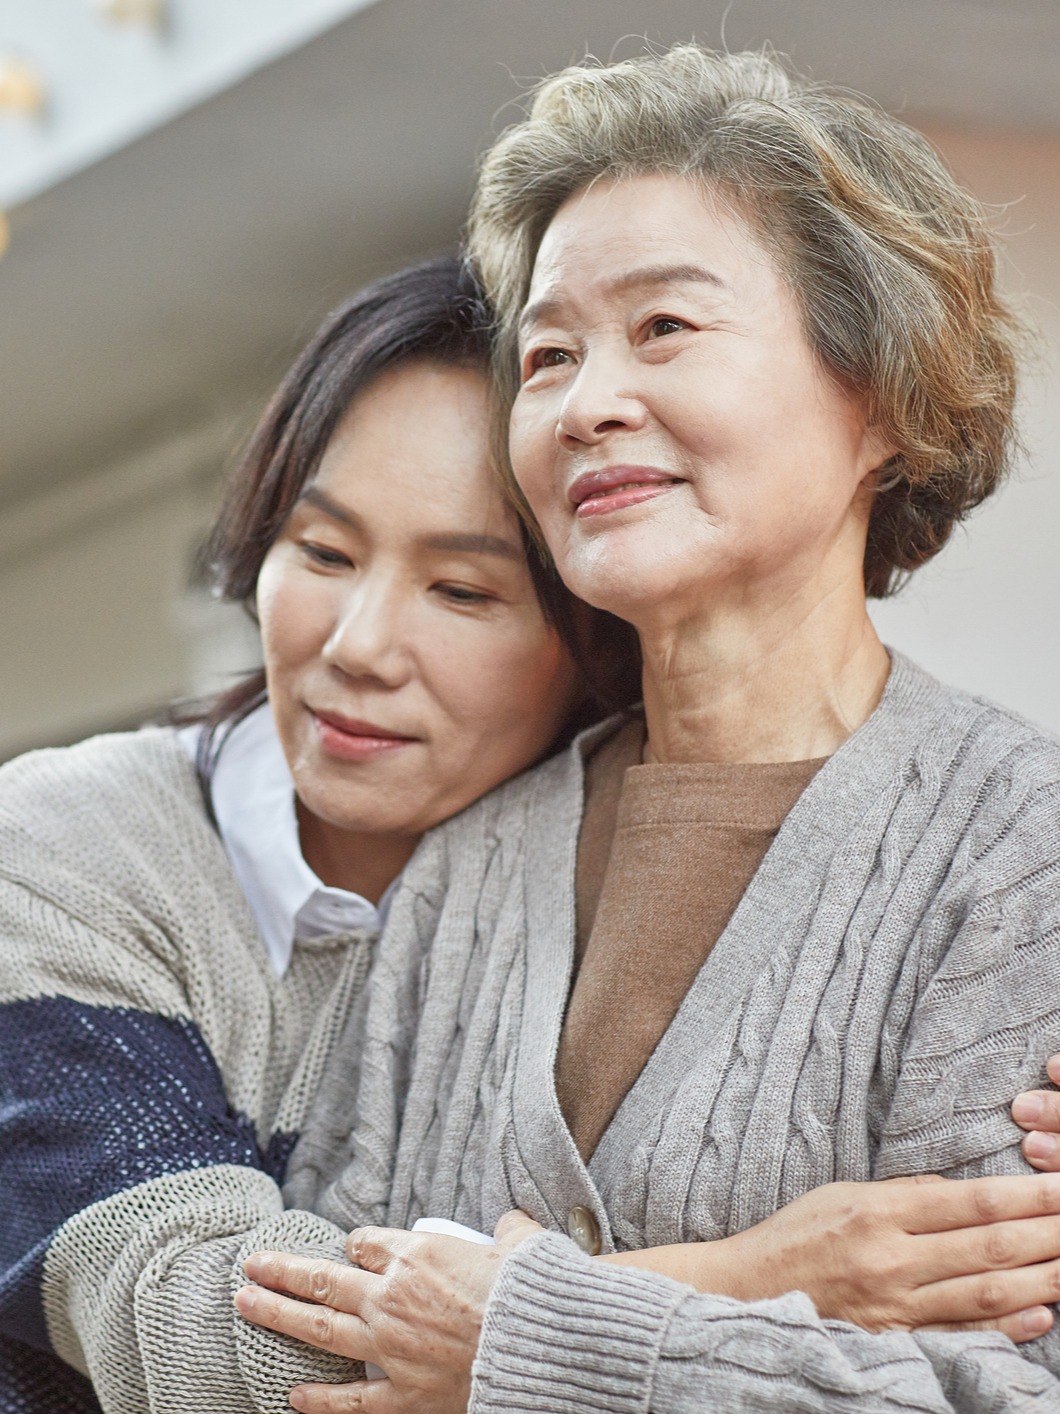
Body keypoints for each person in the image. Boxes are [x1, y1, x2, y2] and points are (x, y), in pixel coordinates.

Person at [7, 254, 1046, 1414]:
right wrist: (755, 1278)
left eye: (462, 591)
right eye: (323, 552)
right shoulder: (68, 848)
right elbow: (192, 1336)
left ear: (592, 644)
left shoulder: (624, 859)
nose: (358, 643)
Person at [235, 46, 1060, 1414]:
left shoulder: (1020, 852)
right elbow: (326, 1344)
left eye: (663, 328)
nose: (584, 403)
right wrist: (740, 1283)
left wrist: (534, 1339)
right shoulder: (467, 865)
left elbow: (1002, 1390)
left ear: (877, 396)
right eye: (549, 354)